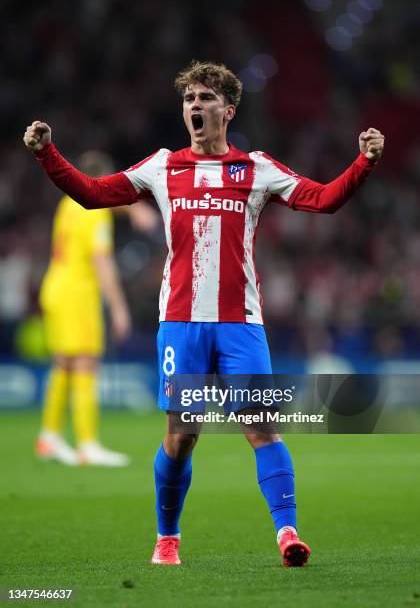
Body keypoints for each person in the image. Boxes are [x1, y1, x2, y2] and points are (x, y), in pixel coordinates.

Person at [23, 60, 384, 565]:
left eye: (206, 98)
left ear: (227, 110)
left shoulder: (257, 169)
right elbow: (93, 194)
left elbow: (322, 200)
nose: (195, 106)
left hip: (241, 326)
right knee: (182, 434)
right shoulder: (162, 167)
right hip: (181, 324)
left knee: (261, 427)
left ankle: (288, 533)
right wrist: (47, 155)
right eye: (189, 98)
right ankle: (167, 538)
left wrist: (363, 163)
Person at [35, 150, 158, 467]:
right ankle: (88, 444)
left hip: (55, 288)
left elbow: (105, 202)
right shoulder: (94, 212)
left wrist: (132, 210)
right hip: (78, 294)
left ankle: (49, 436)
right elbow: (102, 262)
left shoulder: (69, 203)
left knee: (63, 364)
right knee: (86, 364)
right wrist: (119, 308)